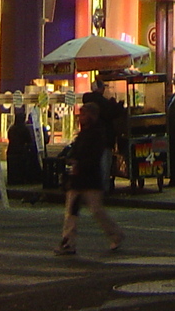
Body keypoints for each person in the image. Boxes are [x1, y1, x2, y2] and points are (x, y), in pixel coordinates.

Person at [55, 102, 123, 255]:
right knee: (71, 212)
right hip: (78, 178)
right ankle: (68, 242)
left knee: (96, 210)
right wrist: (71, 161)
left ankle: (115, 234)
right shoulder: (84, 133)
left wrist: (79, 164)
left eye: (83, 115)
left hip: (89, 178)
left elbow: (94, 157)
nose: (80, 118)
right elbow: (76, 151)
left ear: (91, 116)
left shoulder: (96, 134)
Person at [5, 107, 43, 188]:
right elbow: (28, 140)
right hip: (21, 151)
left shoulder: (12, 128)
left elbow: (9, 138)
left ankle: (12, 180)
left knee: (12, 167)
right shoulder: (24, 128)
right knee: (20, 167)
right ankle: (21, 180)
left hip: (11, 150)